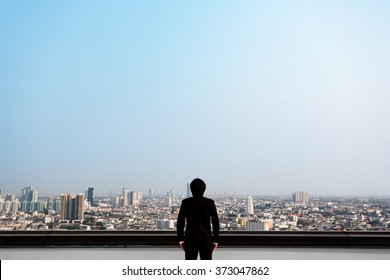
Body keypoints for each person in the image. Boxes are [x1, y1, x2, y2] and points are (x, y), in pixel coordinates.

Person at [177, 178, 220, 260]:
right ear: (204, 189)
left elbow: (180, 222)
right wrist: (215, 241)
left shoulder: (186, 203)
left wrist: (181, 240)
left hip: (190, 240)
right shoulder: (210, 203)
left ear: (191, 189)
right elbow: (215, 223)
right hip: (206, 240)